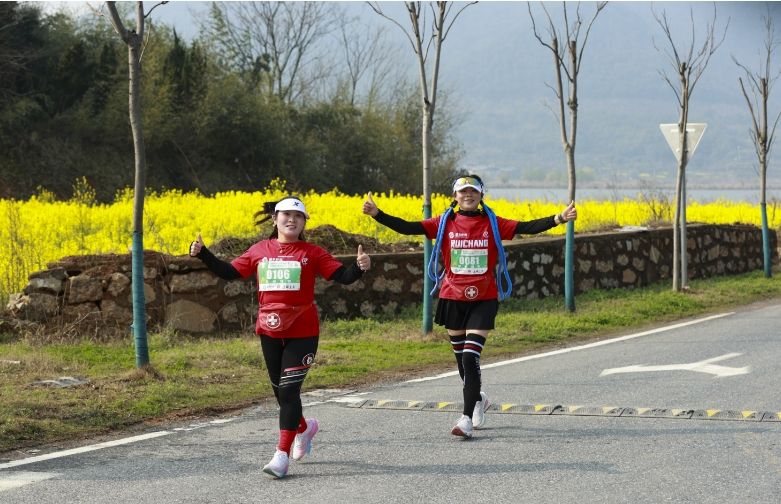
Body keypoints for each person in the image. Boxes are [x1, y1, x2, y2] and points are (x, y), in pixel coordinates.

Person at [362, 175, 576, 439]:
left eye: (473, 191)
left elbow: (527, 226)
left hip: (484, 299)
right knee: (461, 362)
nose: (468, 195)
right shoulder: (444, 223)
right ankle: (478, 400)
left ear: (481, 195)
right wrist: (377, 214)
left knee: (469, 356)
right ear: (455, 196)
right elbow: (408, 228)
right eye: (463, 191)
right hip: (452, 297)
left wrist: (559, 218)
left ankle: (465, 420)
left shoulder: (493, 223)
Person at [190, 195, 371, 479]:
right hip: (269, 330)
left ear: (304, 223)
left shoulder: (313, 253)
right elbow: (230, 271)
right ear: (275, 219)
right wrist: (204, 254)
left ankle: (281, 456)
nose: (291, 220)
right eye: (286, 215)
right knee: (281, 393)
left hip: (303, 332)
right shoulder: (259, 250)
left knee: (288, 392)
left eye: (298, 216)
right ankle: (305, 428)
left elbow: (343, 276)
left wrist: (359, 267)